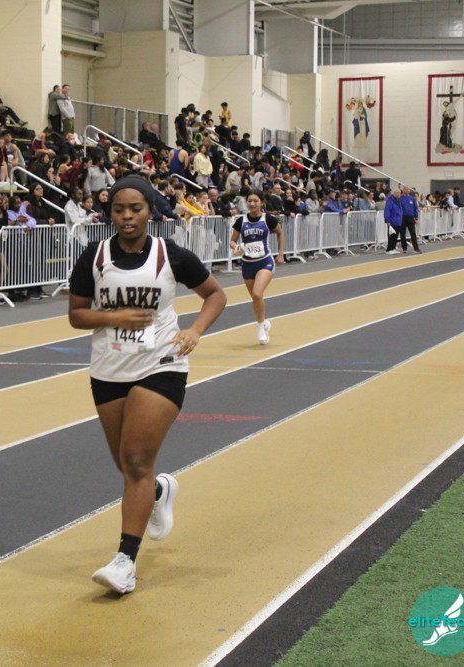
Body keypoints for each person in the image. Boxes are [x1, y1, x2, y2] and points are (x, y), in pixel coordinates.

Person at [67, 176, 226, 594]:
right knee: (127, 465)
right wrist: (113, 317)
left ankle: (125, 562)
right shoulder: (95, 256)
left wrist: (195, 331)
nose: (127, 216)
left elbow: (215, 295)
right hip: (109, 368)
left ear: (150, 211)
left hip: (162, 364)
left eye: (135, 209)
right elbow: (76, 314)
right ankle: (158, 491)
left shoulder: (170, 254)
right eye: (119, 209)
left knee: (136, 460)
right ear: (110, 214)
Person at [229, 191, 285, 345]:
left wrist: (281, 254)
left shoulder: (268, 219)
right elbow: (232, 241)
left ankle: (260, 326)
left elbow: (280, 233)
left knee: (257, 293)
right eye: (250, 201)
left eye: (255, 201)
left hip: (264, 261)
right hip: (247, 264)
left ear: (262, 203)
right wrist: (237, 248)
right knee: (255, 298)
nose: (252, 204)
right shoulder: (241, 221)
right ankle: (264, 322)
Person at [398, 185, 421, 253]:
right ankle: (404, 248)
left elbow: (415, 208)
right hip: (402, 217)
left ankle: (416, 248)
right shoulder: (400, 198)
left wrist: (416, 217)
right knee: (402, 233)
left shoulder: (412, 198)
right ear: (403, 190)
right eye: (405, 189)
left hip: (410, 217)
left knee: (413, 233)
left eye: (408, 189)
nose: (407, 191)